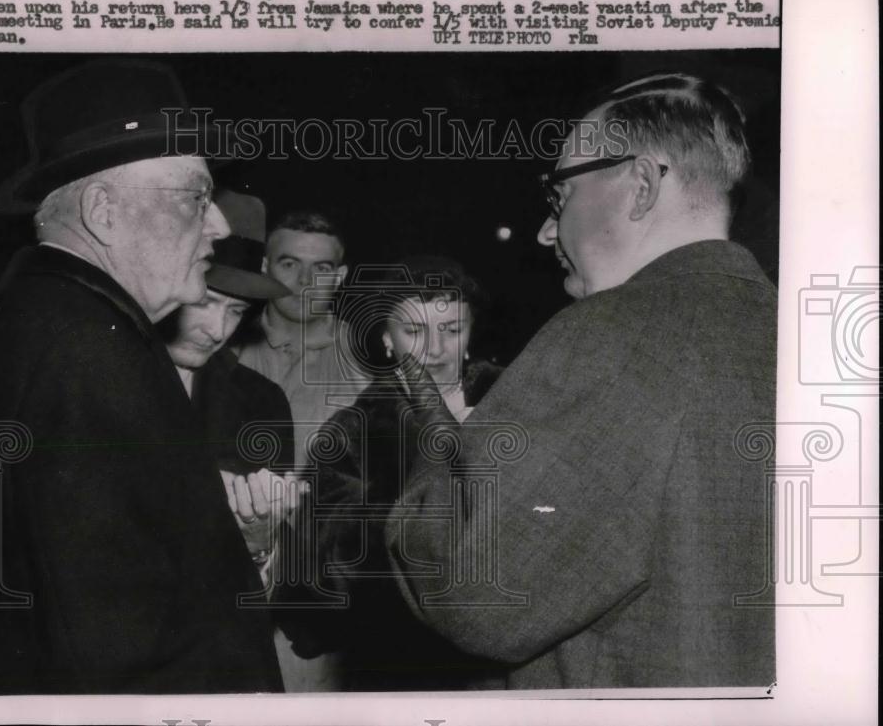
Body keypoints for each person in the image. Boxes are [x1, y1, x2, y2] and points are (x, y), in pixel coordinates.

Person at [385, 73, 777, 688]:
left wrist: (442, 445)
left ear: (641, 187)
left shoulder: (609, 336)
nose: (547, 231)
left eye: (558, 194)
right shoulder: (797, 337)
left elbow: (475, 592)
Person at [0, 59, 283, 694]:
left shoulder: (28, 321)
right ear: (104, 211)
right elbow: (116, 650)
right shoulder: (85, 350)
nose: (218, 225)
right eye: (196, 197)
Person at [307, 256, 503, 690]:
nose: (435, 350)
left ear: (470, 336)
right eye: (414, 332)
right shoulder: (352, 432)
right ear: (386, 339)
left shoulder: (515, 405)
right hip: (403, 658)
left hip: (506, 657)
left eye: (452, 330)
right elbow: (334, 563)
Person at [234, 211, 369, 691]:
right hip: (223, 593)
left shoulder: (370, 361)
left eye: (322, 268)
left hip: (319, 609)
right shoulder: (221, 348)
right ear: (266, 264)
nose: (305, 281)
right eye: (290, 264)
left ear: (342, 276)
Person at [160, 188, 300, 575]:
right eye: (204, 303)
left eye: (236, 311)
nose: (217, 331)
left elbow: (268, 591)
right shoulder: (100, 373)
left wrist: (259, 546)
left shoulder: (262, 401)